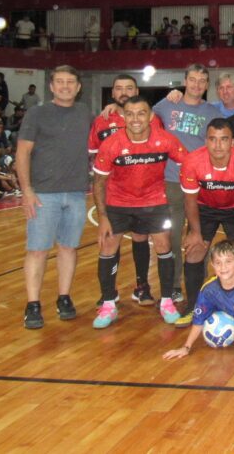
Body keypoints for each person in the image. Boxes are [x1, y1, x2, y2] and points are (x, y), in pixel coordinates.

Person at [91, 96, 187, 328]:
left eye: (141, 113)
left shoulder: (165, 140)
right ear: (123, 117)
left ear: (150, 116)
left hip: (154, 202)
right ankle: (108, 305)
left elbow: (190, 162)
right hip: (118, 203)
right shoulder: (112, 144)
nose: (136, 119)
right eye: (130, 114)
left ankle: (166, 301)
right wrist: (103, 217)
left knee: (164, 245)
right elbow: (99, 183)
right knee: (108, 247)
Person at [17, 65, 92, 329]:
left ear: (78, 86)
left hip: (75, 193)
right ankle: (33, 304)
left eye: (70, 82)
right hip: (43, 195)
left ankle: (64, 297)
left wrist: (113, 110)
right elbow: (23, 153)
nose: (65, 86)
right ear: (51, 86)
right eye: (59, 82)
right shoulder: (36, 114)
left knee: (68, 248)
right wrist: (26, 190)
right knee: (37, 251)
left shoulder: (85, 112)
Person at [175, 118, 234, 327]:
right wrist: (194, 232)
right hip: (204, 208)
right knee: (194, 249)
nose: (218, 145)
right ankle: (194, 306)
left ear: (233, 142)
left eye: (224, 139)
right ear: (206, 141)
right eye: (213, 139)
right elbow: (189, 200)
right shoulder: (192, 161)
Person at [154, 64, 223, 302]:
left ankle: (198, 284)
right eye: (192, 80)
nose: (196, 85)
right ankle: (173, 285)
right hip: (172, 182)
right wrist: (115, 107)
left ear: (206, 85)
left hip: (201, 185)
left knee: (198, 236)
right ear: (185, 80)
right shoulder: (166, 105)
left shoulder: (213, 112)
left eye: (202, 81)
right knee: (171, 235)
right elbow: (138, 117)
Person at [89, 75, 153, 306]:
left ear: (136, 90)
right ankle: (108, 292)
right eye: (118, 88)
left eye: (129, 88)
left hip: (143, 193)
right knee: (110, 241)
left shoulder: (149, 117)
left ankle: (142, 286)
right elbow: (95, 158)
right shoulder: (101, 121)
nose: (123, 92)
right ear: (112, 93)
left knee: (140, 237)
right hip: (113, 193)